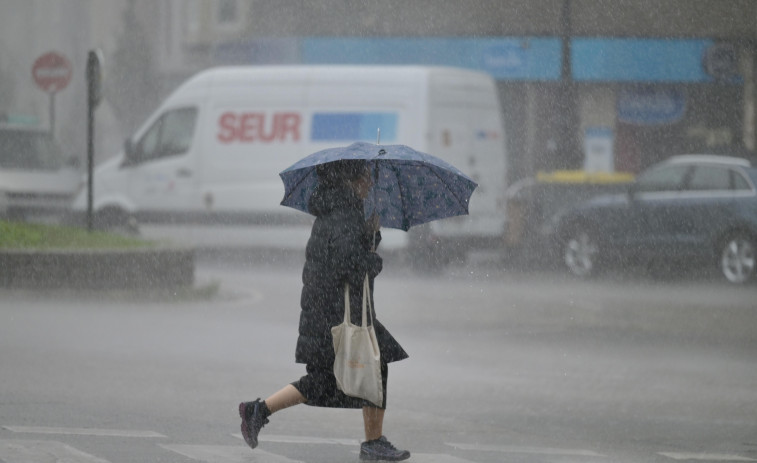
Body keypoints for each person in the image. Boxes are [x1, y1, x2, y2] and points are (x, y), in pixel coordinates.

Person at [239, 159, 410, 461]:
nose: (370, 183)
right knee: (368, 366)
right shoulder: (345, 213)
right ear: (351, 181)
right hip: (336, 313)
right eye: (365, 177)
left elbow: (344, 254)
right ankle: (373, 443)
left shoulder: (338, 210)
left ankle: (258, 410)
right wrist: (373, 259)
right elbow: (349, 264)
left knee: (332, 378)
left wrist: (371, 235)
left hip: (326, 309)